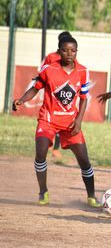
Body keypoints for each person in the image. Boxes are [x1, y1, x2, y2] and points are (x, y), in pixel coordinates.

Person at [12, 35, 100, 208]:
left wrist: (79, 121)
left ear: (76, 52)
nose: (69, 53)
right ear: (59, 52)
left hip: (70, 123)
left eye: (73, 50)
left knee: (84, 160)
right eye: (65, 50)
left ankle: (91, 196)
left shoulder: (83, 71)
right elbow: (35, 88)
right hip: (48, 119)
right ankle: (43, 191)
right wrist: (21, 100)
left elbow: (83, 99)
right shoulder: (48, 69)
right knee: (41, 151)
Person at [39, 31, 74, 160]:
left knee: (63, 120)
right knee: (50, 117)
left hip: (65, 93)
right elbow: (42, 72)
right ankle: (47, 141)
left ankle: (55, 149)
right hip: (52, 92)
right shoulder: (50, 57)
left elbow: (74, 71)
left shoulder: (71, 56)